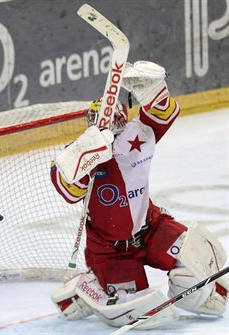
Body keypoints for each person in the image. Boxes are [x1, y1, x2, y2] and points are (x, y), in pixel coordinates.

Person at [50, 61, 228, 329]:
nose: (110, 128)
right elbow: (66, 189)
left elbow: (164, 111)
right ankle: (92, 284)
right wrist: (84, 153)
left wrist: (150, 87)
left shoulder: (139, 135)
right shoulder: (79, 154)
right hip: (111, 251)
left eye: (113, 123)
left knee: (199, 265)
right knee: (141, 314)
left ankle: (102, 284)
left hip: (151, 229)